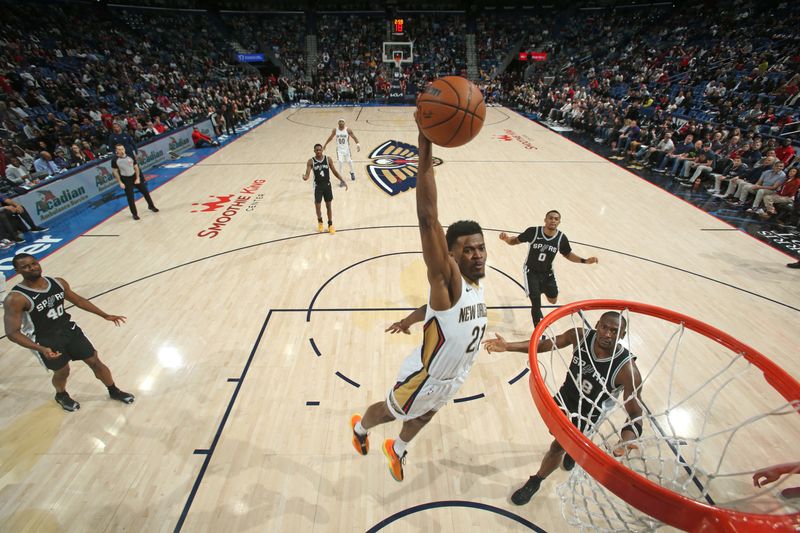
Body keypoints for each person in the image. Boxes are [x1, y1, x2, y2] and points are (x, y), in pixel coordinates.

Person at [349, 119, 488, 482]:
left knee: (425, 416)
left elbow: (442, 314)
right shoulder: (449, 279)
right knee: (387, 412)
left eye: (481, 247)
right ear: (452, 257)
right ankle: (360, 430)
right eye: (468, 250)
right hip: (424, 377)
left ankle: (395, 450)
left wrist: (412, 319)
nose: (478, 255)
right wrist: (425, 144)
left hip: (453, 377)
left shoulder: (474, 285)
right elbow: (428, 218)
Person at [482, 312, 642, 505]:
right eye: (605, 327)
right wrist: (508, 346)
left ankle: (536, 480)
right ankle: (572, 452)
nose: (608, 334)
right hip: (564, 398)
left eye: (615, 331)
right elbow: (544, 345)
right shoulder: (580, 336)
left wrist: (625, 441)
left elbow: (635, 412)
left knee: (557, 446)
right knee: (557, 437)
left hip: (588, 415)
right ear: (597, 325)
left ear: (622, 336)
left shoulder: (627, 369)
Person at [3, 253, 135, 412]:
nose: (32, 268)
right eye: (25, 266)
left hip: (69, 329)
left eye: (33, 263)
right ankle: (61, 394)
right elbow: (12, 333)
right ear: (17, 271)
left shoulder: (57, 282)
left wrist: (105, 315)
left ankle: (114, 390)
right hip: (44, 339)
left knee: (95, 361)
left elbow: (79, 301)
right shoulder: (16, 298)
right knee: (62, 371)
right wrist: (41, 349)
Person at [499, 210, 598, 327]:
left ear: (559, 222)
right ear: (545, 220)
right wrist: (506, 239)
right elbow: (514, 241)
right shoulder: (533, 232)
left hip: (547, 274)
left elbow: (568, 254)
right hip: (531, 272)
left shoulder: (561, 238)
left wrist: (585, 260)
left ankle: (540, 289)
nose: (553, 220)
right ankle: (538, 331)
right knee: (536, 303)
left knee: (553, 300)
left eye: (556, 219)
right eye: (550, 218)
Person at [303, 143, 348, 234]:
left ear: (322, 150)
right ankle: (320, 222)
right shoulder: (310, 161)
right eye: (317, 150)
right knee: (318, 206)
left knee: (329, 206)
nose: (318, 151)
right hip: (318, 187)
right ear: (314, 151)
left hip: (327, 186)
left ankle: (330, 224)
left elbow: (334, 171)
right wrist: (305, 177)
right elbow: (307, 175)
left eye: (320, 149)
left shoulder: (328, 159)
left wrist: (342, 180)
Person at [111, 144, 158, 221]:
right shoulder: (114, 160)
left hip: (134, 177)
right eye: (119, 149)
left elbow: (136, 167)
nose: (121, 151)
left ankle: (151, 206)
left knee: (145, 192)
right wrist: (120, 182)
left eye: (122, 149)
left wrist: (138, 178)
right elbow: (115, 172)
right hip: (125, 179)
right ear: (116, 151)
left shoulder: (130, 156)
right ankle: (134, 214)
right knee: (130, 198)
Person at [322, 118, 360, 184]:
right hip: (339, 150)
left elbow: (354, 137)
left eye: (342, 121)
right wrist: (325, 144)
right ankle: (341, 180)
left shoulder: (348, 130)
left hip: (347, 149)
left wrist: (358, 145)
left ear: (344, 123)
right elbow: (331, 137)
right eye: (340, 121)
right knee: (340, 163)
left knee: (350, 161)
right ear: (338, 123)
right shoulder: (335, 130)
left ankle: (352, 172)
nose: (341, 122)